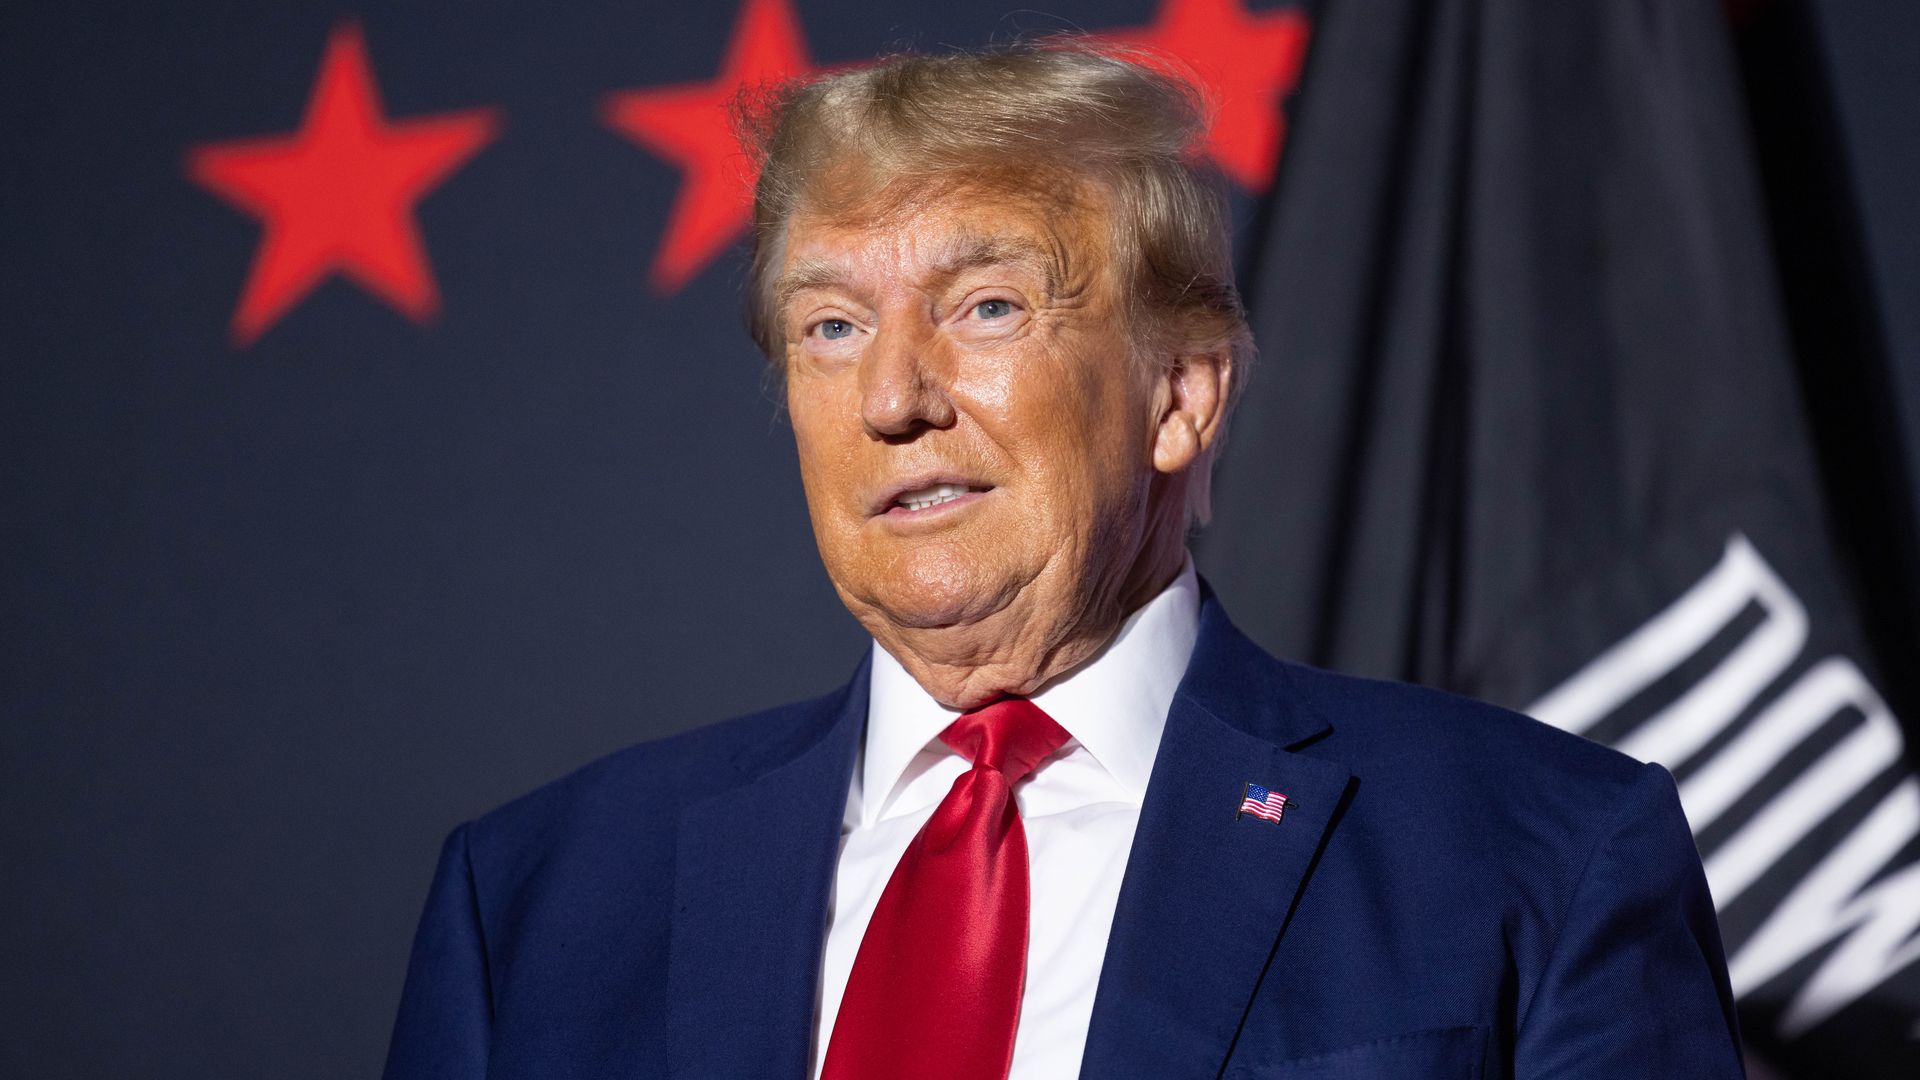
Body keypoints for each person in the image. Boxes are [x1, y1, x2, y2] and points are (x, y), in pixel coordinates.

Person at [383, 43, 1745, 1080]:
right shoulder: (538, 903)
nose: (892, 399)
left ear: (1182, 396)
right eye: (833, 327)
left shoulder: (1539, 858)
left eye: (985, 306)